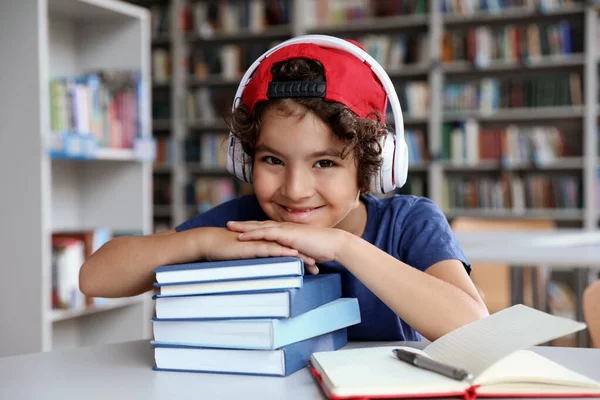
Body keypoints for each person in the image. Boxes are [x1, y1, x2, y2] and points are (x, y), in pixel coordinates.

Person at [79, 35, 488, 342]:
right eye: (272, 160)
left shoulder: (409, 223)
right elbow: (94, 278)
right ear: (245, 159)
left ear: (371, 168)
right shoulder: (245, 226)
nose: (294, 190)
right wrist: (200, 243)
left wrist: (343, 247)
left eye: (324, 163)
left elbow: (475, 329)